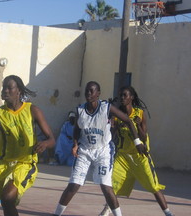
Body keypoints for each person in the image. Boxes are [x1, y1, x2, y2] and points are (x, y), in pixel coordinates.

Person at [0, 75, 55, 216]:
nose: (5, 91)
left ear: (18, 90)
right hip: (3, 163)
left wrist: (44, 144)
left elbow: (51, 139)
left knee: (7, 198)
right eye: (3, 87)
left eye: (9, 87)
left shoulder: (33, 111)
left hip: (25, 164)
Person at [53, 81, 147, 216]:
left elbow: (128, 120)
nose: (88, 93)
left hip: (103, 151)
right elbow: (77, 129)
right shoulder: (80, 110)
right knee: (73, 185)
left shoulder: (106, 108)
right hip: (85, 150)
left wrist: (137, 141)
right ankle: (57, 213)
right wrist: (75, 144)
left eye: (92, 91)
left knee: (106, 187)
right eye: (87, 91)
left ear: (98, 93)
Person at [99, 86, 174, 216]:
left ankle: (168, 213)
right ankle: (107, 210)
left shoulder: (139, 113)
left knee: (153, 186)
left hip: (140, 156)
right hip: (123, 156)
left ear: (131, 98)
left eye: (125, 95)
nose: (122, 98)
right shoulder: (117, 116)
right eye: (120, 95)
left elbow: (144, 137)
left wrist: (138, 125)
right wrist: (114, 126)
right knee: (112, 184)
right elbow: (112, 137)